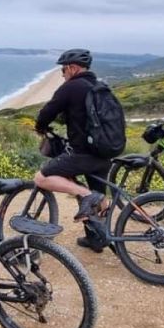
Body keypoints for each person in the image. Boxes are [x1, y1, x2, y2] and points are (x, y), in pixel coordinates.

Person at [34, 49, 110, 253]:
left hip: (84, 153)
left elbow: (47, 112)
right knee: (98, 196)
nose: (62, 73)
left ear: (73, 68)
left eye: (63, 69)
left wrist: (40, 126)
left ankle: (87, 195)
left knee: (41, 178)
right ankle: (98, 238)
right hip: (104, 152)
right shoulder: (99, 86)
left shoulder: (71, 87)